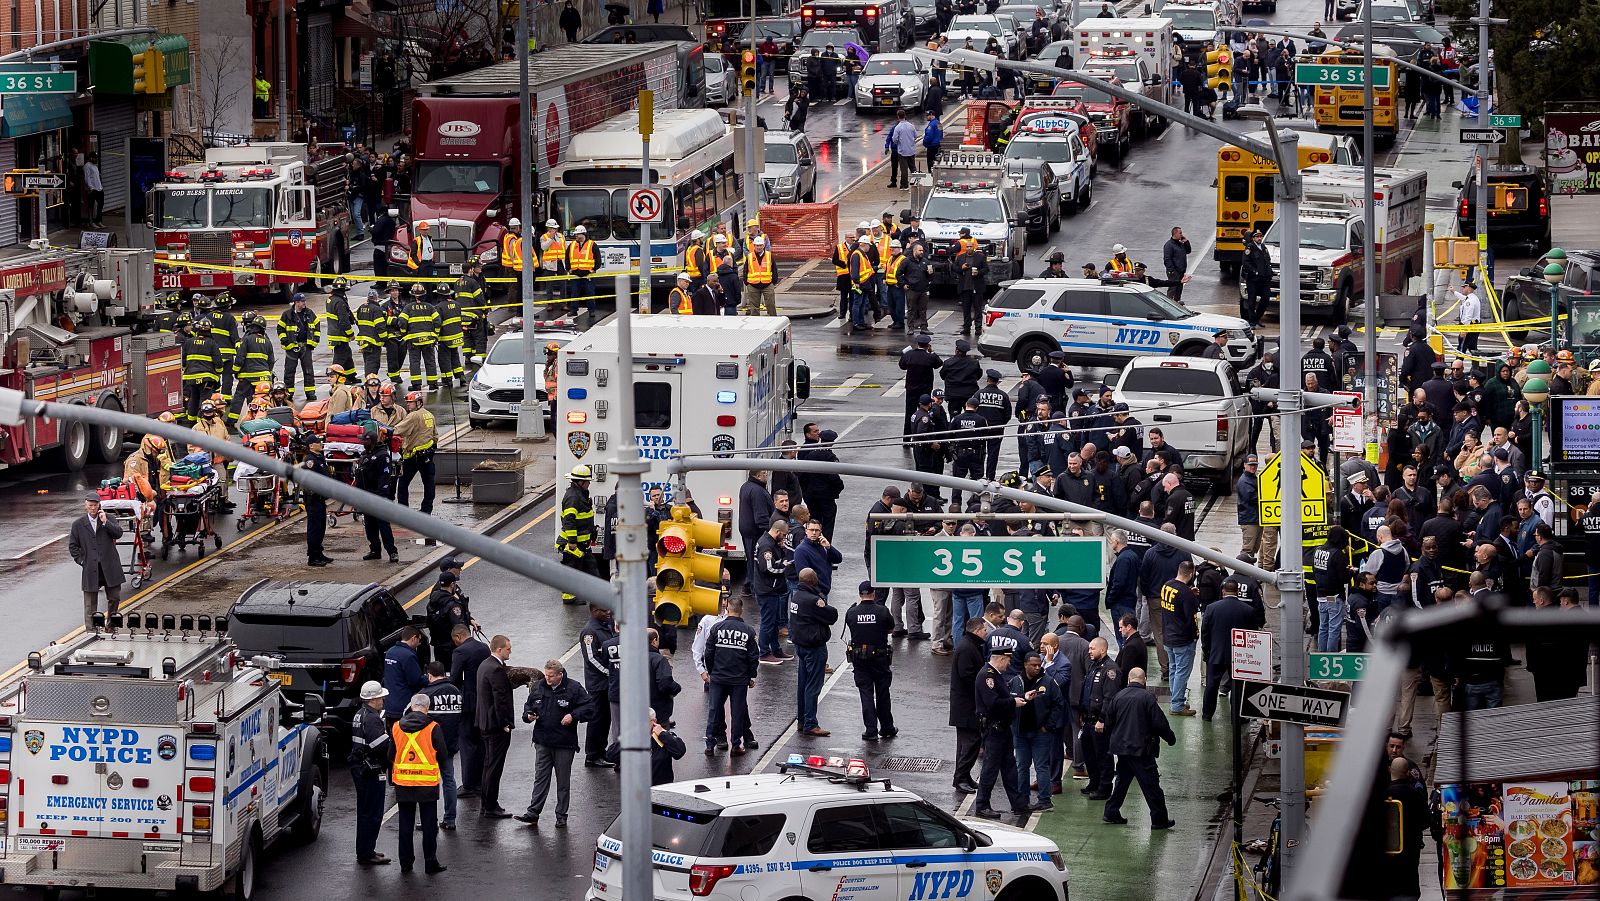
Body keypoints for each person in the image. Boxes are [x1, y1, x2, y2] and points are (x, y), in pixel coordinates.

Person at [516, 659, 593, 829]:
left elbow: (590, 707)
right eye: (546, 675)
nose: (547, 678)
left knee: (563, 781)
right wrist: (528, 715)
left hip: (564, 744)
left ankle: (561, 815)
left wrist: (573, 715)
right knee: (540, 778)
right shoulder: (539, 687)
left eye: (551, 676)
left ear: (560, 674)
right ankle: (533, 813)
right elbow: (528, 706)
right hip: (542, 741)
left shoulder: (573, 688)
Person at [1100, 668, 1177, 828]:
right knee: (1151, 785)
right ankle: (1159, 819)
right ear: (1145, 679)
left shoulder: (1118, 696)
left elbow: (1109, 722)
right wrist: (1170, 738)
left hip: (1122, 749)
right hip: (1141, 750)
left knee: (1122, 782)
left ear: (1129, 679)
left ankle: (1111, 812)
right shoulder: (1147, 698)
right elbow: (1159, 723)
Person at [389, 693, 448, 873]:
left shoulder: (396, 726)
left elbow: (391, 755)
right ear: (427, 708)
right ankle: (430, 863)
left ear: (412, 706)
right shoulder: (433, 727)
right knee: (429, 825)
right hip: (426, 783)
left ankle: (405, 863)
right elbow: (443, 755)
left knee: (405, 825)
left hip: (403, 782)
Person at [974, 648, 1030, 820]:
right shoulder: (987, 676)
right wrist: (1013, 703)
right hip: (994, 730)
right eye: (1007, 660)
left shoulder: (995, 675)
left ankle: (1018, 804)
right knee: (990, 769)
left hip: (1003, 729)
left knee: (1009, 768)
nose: (1009, 664)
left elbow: (1003, 697)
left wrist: (1022, 697)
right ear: (1000, 659)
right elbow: (992, 703)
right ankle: (982, 805)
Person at [1201, 579, 1266, 721]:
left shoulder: (1211, 608)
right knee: (1238, 687)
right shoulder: (1248, 610)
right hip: (1239, 656)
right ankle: (1237, 717)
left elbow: (1205, 632)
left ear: (1223, 591)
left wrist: (1207, 651)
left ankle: (1207, 714)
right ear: (1238, 592)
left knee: (1211, 685)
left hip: (1216, 654)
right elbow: (1252, 635)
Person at [704, 597, 760, 754]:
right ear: (741, 610)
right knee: (738, 712)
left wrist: (711, 671)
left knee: (714, 710)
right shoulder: (748, 631)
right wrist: (751, 676)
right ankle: (736, 745)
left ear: (727, 609)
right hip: (739, 679)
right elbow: (753, 656)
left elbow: (708, 653)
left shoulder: (716, 628)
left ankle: (710, 744)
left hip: (718, 677)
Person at [845, 580, 896, 741]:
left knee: (865, 693)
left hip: (860, 658)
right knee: (883, 693)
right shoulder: (882, 611)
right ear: (873, 594)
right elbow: (891, 628)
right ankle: (887, 727)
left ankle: (871, 730)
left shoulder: (852, 612)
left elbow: (851, 628)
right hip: (880, 657)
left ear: (860, 594)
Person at [1012, 651, 1063, 812]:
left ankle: (1045, 801)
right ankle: (1022, 799)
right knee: (1021, 766)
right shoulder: (1016, 681)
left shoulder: (1048, 682)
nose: (1037, 668)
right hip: (1020, 733)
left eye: (1039, 665)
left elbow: (1059, 704)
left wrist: (1048, 726)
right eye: (1033, 665)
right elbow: (1009, 702)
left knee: (1041, 766)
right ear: (1025, 665)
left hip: (1040, 733)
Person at [790, 569, 839, 737]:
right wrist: (823, 603)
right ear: (813, 581)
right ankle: (810, 723)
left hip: (801, 645)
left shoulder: (797, 596)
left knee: (803, 684)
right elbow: (832, 616)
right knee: (813, 685)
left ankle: (802, 720)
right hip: (814, 647)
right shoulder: (812, 600)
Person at [349, 681, 392, 866]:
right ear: (373, 699)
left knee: (365, 811)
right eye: (381, 697)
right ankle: (367, 853)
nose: (383, 699)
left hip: (360, 767)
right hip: (370, 770)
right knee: (372, 813)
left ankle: (366, 850)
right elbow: (381, 746)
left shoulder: (360, 714)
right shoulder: (373, 719)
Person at [419, 662, 464, 831]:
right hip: (450, 744)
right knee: (449, 780)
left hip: (428, 745)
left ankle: (428, 820)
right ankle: (450, 819)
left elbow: (409, 715)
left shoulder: (426, 694)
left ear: (429, 675)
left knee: (428, 782)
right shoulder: (456, 692)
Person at [475, 635, 515, 818]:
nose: (510, 651)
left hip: (484, 722)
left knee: (488, 765)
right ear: (499, 649)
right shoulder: (497, 669)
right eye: (508, 649)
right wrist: (505, 723)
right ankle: (490, 806)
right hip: (495, 726)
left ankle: (486, 804)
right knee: (494, 767)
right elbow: (500, 700)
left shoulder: (484, 665)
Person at [70, 496, 124, 630]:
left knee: (115, 598)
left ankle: (111, 626)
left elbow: (118, 534)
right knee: (90, 603)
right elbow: (73, 546)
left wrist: (106, 522)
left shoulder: (109, 518)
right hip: (91, 567)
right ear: (85, 506)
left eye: (95, 505)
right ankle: (91, 630)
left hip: (110, 566)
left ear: (99, 505)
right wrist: (82, 561)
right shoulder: (78, 524)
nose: (93, 508)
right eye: (90, 505)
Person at [1080, 636, 1121, 799]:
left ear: (1102, 649)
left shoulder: (1110, 670)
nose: (1089, 651)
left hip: (1099, 721)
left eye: (1092, 648)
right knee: (1089, 754)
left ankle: (1104, 788)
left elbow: (1109, 698)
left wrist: (1102, 720)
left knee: (1103, 755)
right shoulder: (1094, 666)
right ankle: (1094, 782)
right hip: (1088, 719)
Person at [950, 618, 989, 793]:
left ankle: (964, 776)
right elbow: (967, 676)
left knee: (967, 743)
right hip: (966, 706)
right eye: (985, 630)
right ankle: (960, 778)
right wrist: (982, 691)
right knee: (971, 743)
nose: (986, 633)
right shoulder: (967, 648)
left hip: (966, 705)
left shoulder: (970, 645)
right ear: (977, 631)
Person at [1159, 561, 1202, 716]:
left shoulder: (1167, 586)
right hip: (1183, 639)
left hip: (1168, 636)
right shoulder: (1186, 594)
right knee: (1182, 673)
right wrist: (1195, 636)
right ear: (1191, 574)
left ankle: (1175, 699)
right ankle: (1177, 705)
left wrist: (1189, 593)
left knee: (1174, 670)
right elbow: (1191, 619)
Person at [558, 465, 601, 604]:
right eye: (587, 481)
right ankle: (569, 598)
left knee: (591, 568)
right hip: (574, 544)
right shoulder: (573, 497)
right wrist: (572, 542)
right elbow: (569, 521)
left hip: (583, 542)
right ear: (581, 482)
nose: (589, 484)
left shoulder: (580, 494)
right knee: (572, 570)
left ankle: (599, 596)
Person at [300, 440, 333, 566]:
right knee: (314, 528)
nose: (321, 444)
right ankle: (313, 557)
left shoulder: (319, 458)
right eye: (317, 442)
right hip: (313, 499)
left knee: (321, 527)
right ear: (311, 445)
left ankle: (319, 553)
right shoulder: (310, 460)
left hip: (320, 498)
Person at [1239, 230, 1271, 327]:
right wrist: (1254, 271)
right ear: (1253, 238)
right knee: (1251, 300)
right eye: (1257, 237)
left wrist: (1269, 272)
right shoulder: (1250, 248)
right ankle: (1252, 321)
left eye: (1260, 236)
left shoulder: (1264, 248)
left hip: (1263, 279)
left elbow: (1267, 261)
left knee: (1266, 298)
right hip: (1253, 279)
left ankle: (1257, 318)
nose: (1259, 238)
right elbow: (1245, 262)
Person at [650, 709, 687, 785]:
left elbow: (679, 752)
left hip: (659, 787)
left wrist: (662, 734)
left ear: (654, 721)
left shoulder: (662, 737)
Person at [1161, 227, 1192, 302]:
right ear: (1175, 234)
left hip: (1181, 271)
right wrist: (1171, 270)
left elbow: (1188, 251)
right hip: (1174, 271)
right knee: (1172, 289)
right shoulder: (1169, 245)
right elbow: (1167, 259)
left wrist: (1186, 242)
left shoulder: (1180, 244)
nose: (1181, 235)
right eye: (1180, 233)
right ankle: (1168, 303)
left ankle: (1177, 304)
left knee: (1179, 289)